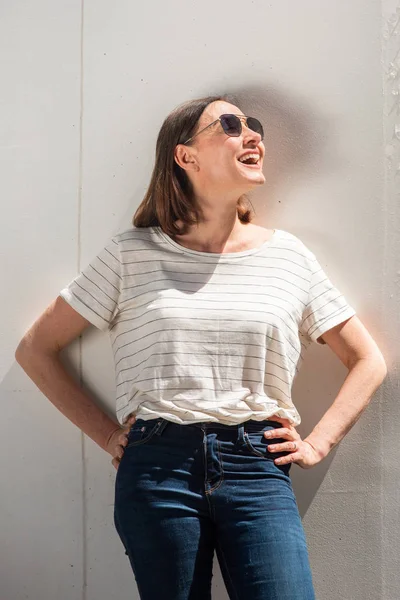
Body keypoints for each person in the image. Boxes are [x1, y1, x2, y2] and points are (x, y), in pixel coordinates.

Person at [15, 94, 387, 600]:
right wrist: (106, 436)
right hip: (158, 466)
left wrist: (316, 442)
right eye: (231, 125)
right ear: (185, 156)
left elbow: (367, 359)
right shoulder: (132, 253)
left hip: (258, 464)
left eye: (254, 126)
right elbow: (35, 350)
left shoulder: (287, 257)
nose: (254, 135)